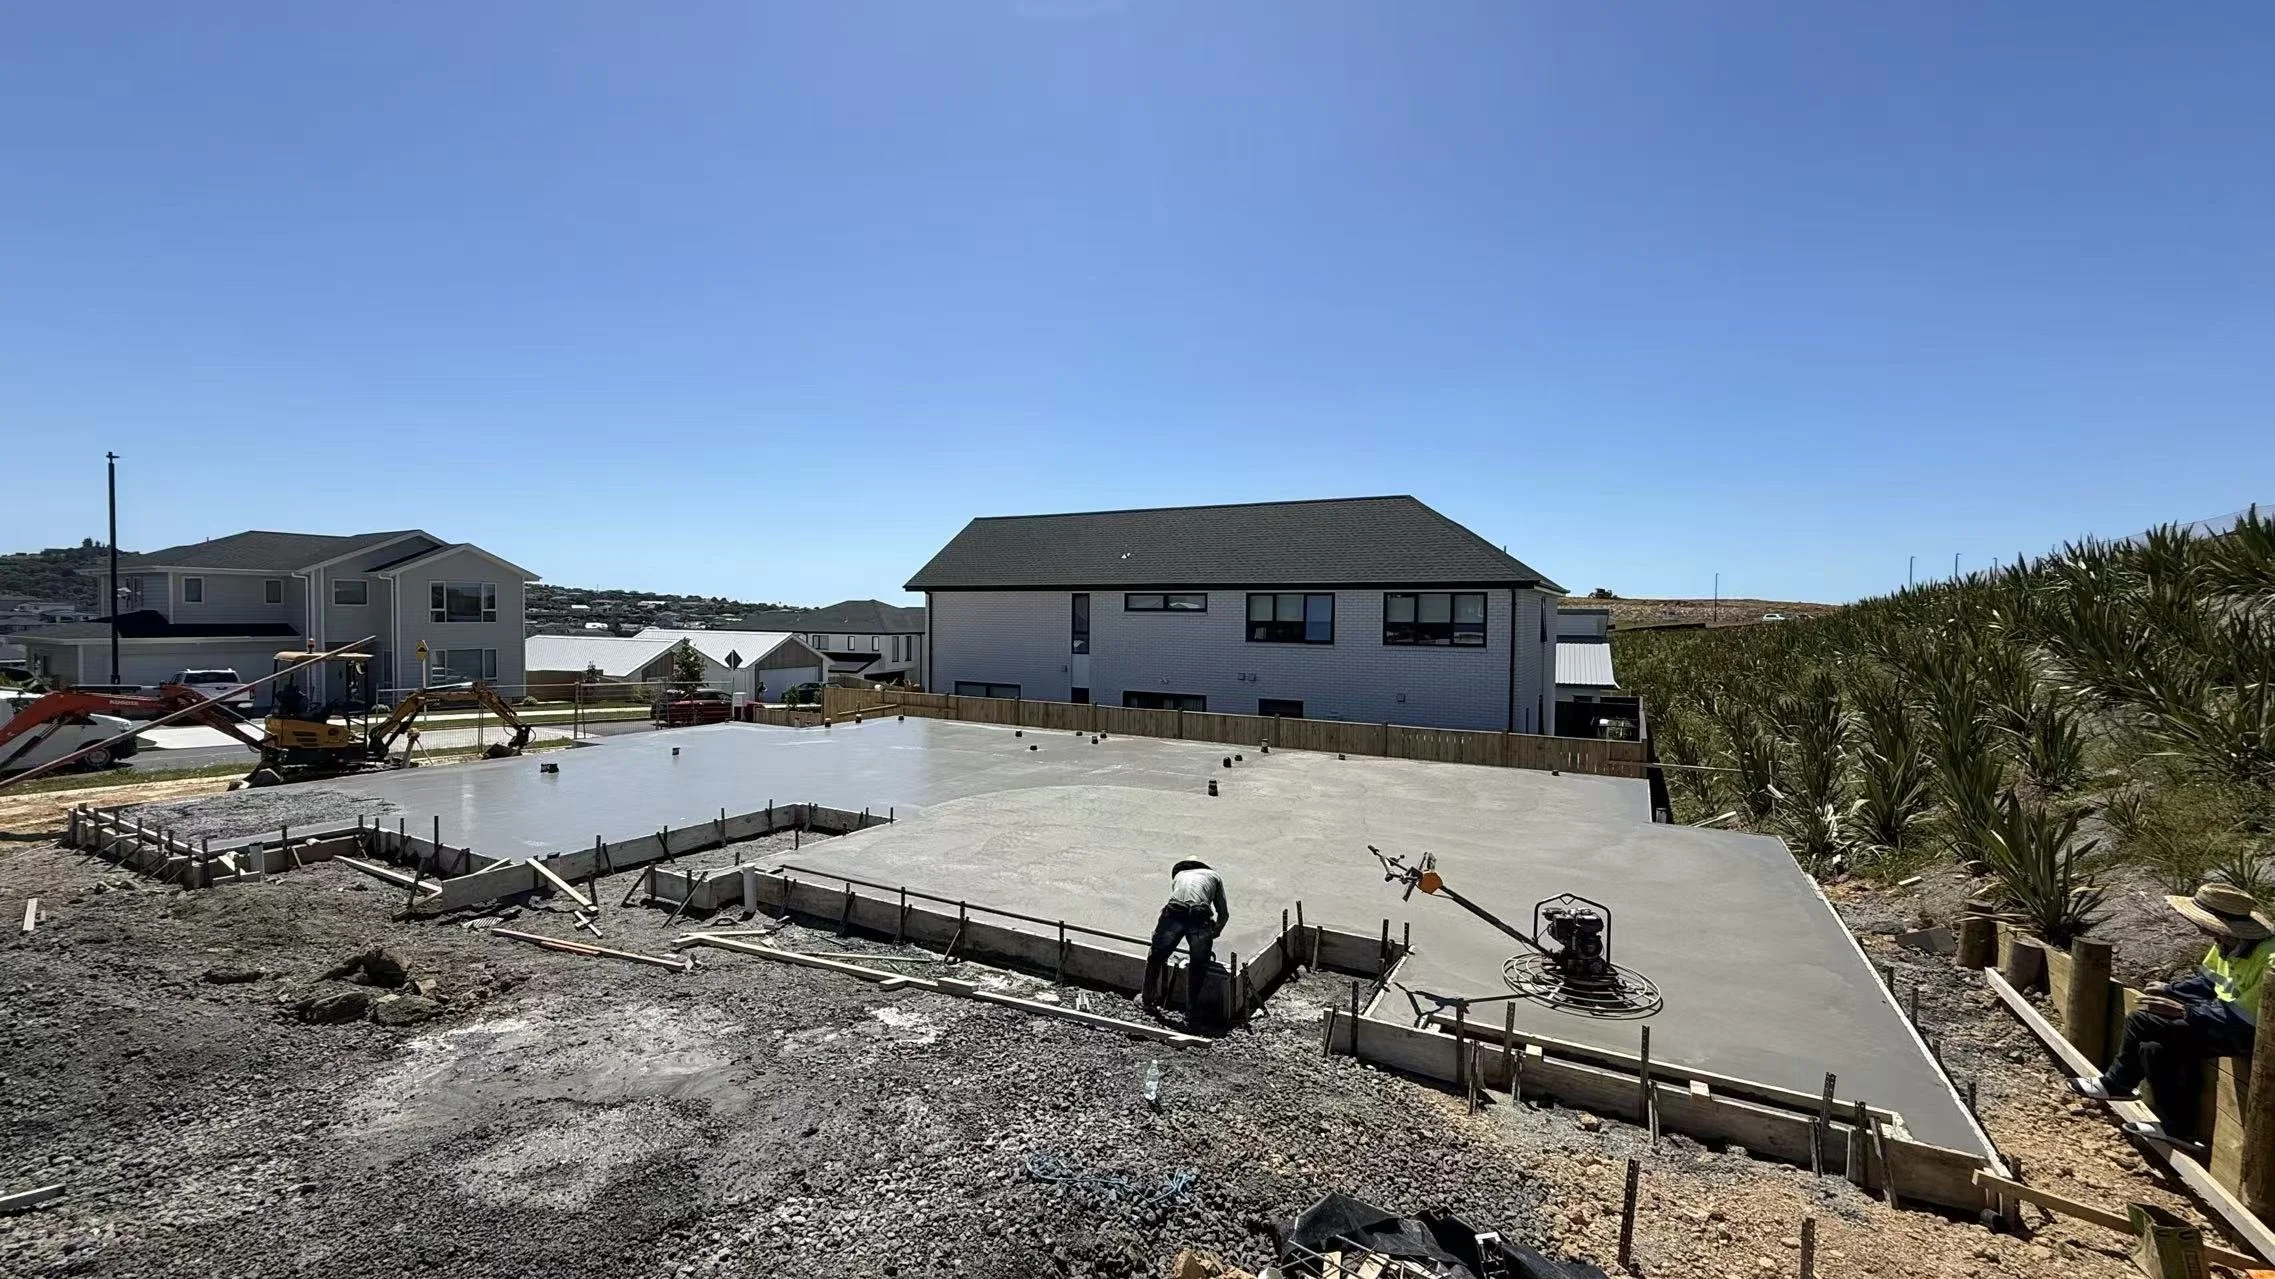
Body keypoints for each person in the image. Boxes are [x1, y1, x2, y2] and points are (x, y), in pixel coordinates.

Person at [2072, 882, 2273, 1144]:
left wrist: (2187, 1012)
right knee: (2154, 1049)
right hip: (2224, 1019)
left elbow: (2246, 1018)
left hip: (2252, 1035)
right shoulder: (2227, 942)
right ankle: (2177, 1130)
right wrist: (2171, 989)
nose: (2199, 928)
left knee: (2141, 1020)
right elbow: (2209, 983)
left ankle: (2117, 1084)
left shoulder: (2269, 958)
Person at [1142, 858, 1230, 1021]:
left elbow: (1182, 900)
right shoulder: (1214, 876)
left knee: (1156, 955)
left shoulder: (1179, 875)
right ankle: (1191, 1012)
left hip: (1175, 912)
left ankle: (1147, 1000)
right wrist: (1215, 931)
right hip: (1200, 916)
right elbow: (1223, 915)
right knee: (1198, 965)